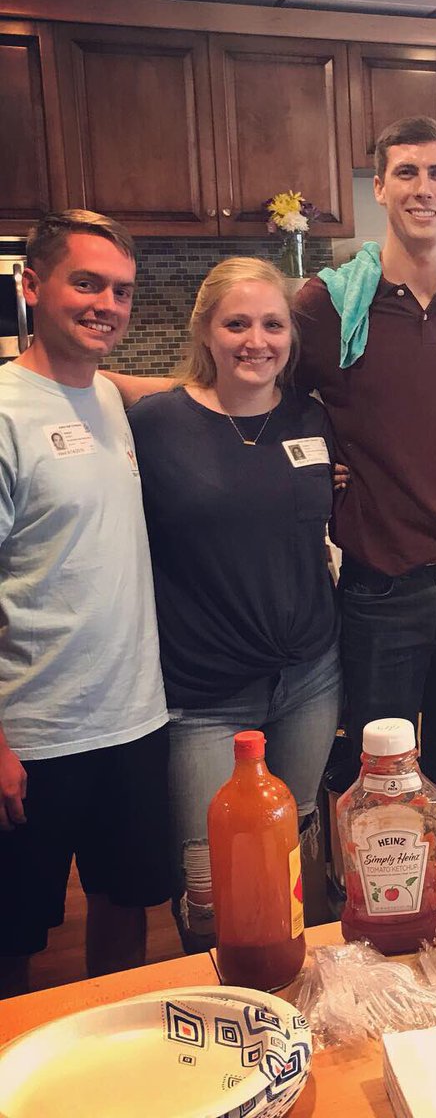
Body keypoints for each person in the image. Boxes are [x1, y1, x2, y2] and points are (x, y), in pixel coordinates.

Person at [293, 116, 436, 896]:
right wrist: (323, 459)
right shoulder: (329, 306)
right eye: (408, 173)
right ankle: (381, 925)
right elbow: (268, 400)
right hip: (382, 591)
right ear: (380, 187)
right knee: (381, 785)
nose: (424, 188)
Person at [127, 257, 340, 947]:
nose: (257, 341)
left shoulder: (311, 417)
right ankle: (214, 991)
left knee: (290, 845)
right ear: (206, 332)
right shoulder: (157, 423)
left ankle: (286, 972)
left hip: (309, 677)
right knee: (211, 877)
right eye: (237, 324)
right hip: (204, 696)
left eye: (273, 325)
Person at [0, 211, 171, 998]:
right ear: (33, 285)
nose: (107, 304)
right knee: (13, 937)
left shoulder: (107, 394)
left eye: (121, 291)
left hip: (132, 719)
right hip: (34, 733)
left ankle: (112, 1042)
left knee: (125, 905)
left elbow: (189, 392)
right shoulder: (7, 411)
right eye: (88, 284)